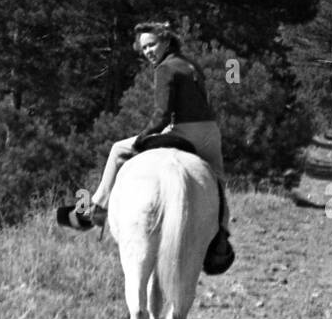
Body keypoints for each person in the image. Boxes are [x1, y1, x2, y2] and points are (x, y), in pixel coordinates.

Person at [58, 21, 233, 270]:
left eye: (152, 45)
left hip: (183, 129)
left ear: (166, 41)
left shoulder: (164, 69)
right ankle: (221, 238)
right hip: (210, 131)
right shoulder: (190, 64)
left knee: (118, 149)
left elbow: (162, 115)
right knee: (217, 181)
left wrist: (143, 138)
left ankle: (93, 209)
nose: (149, 51)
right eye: (144, 48)